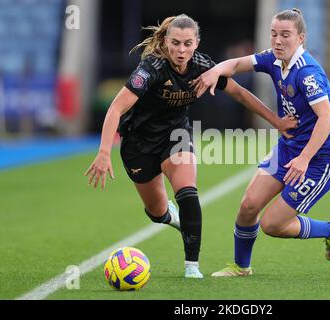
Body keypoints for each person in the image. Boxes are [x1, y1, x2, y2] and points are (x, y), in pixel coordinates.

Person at [84, 14, 297, 279]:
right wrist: (104, 152)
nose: (181, 50)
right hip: (138, 143)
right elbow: (116, 107)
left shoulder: (202, 67)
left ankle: (192, 267)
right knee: (156, 211)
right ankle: (169, 217)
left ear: (196, 43)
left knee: (188, 193)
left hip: (176, 135)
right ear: (166, 41)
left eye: (187, 44)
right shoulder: (151, 68)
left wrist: (275, 120)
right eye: (175, 43)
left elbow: (240, 94)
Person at [193, 8, 330, 276]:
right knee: (248, 206)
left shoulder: (308, 73)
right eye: (274, 34)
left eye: (285, 35)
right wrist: (213, 72)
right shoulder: (273, 59)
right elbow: (235, 65)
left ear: (301, 38)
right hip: (288, 148)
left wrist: (304, 158)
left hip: (317, 160)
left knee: (272, 225)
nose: (277, 41)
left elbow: (327, 120)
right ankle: (241, 267)